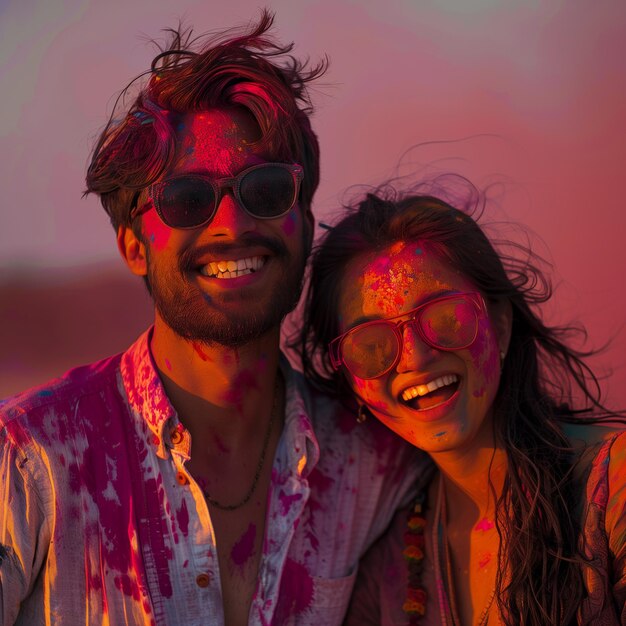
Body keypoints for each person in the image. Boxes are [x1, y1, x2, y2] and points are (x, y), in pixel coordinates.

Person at [0, 13, 421, 626]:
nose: (232, 225)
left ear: (303, 219)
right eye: (188, 199)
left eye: (268, 188)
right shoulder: (31, 459)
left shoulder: (374, 464)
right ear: (134, 245)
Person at [297, 181, 626, 625]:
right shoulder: (389, 567)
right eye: (371, 344)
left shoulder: (611, 489)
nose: (416, 357)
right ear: (351, 383)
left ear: (502, 324)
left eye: (445, 316)